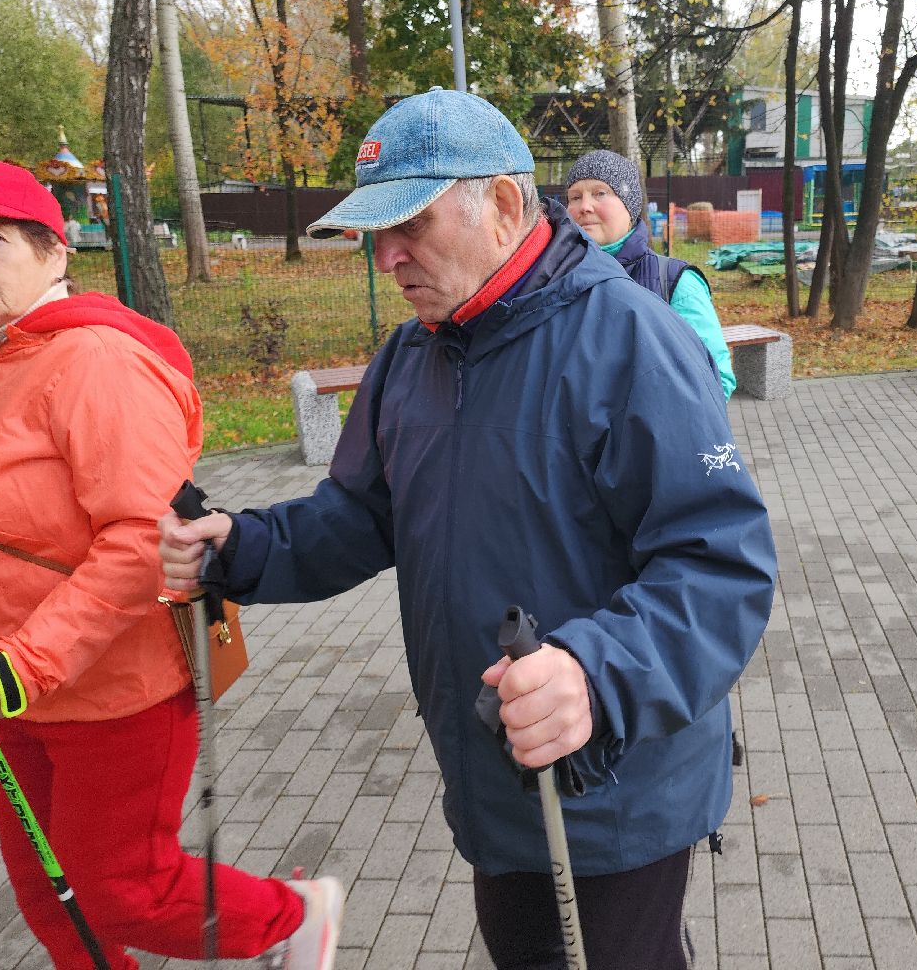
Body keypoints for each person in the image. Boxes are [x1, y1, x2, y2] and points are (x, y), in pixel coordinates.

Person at [159, 88, 778, 970]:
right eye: (377, 234)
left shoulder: (630, 339)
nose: (389, 257)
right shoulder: (414, 351)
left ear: (502, 204)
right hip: (493, 777)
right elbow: (362, 513)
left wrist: (595, 672)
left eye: (409, 223)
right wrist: (246, 547)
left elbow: (722, 567)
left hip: (613, 786)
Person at [0, 157, 344, 970]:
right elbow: (5, 530)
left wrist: (16, 667)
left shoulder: (94, 360)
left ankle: (291, 918)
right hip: (11, 688)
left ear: (54, 254)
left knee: (122, 890)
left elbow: (139, 542)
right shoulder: (3, 357)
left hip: (113, 689)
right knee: (48, 899)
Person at [565, 149, 736, 399]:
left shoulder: (675, 282)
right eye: (575, 197)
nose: (584, 207)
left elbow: (716, 381)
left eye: (600, 193)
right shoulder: (557, 280)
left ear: (630, 204)